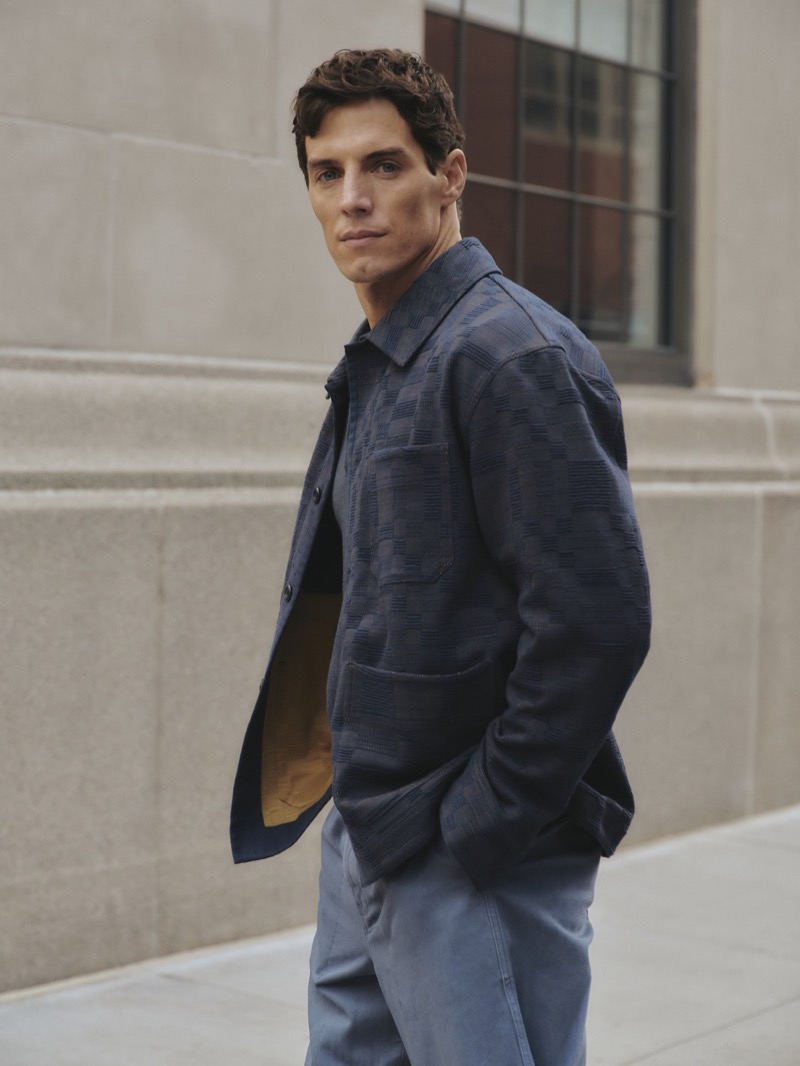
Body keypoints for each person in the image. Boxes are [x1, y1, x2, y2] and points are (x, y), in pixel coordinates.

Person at [231, 48, 651, 1066]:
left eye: (383, 165)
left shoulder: (511, 355)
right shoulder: (383, 358)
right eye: (326, 173)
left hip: (474, 855)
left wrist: (474, 827)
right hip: (371, 827)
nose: (352, 198)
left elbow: (597, 624)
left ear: (449, 176)